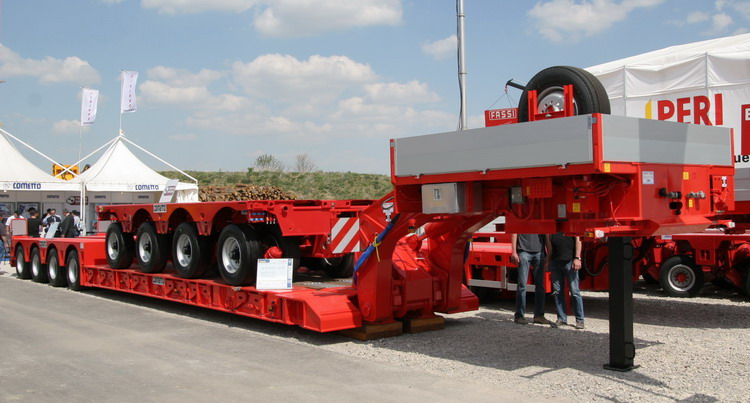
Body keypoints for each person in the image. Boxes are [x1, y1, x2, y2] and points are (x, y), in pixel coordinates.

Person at [510, 233, 556, 326]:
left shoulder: (541, 220)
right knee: (522, 285)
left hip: (539, 252)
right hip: (524, 251)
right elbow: (514, 232)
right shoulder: (523, 218)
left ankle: (539, 316)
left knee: (540, 286)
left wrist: (549, 254)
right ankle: (519, 316)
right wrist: (514, 252)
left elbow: (546, 236)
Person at [546, 232, 585, 329]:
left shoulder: (570, 225)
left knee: (575, 292)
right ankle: (561, 318)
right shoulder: (553, 228)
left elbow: (578, 240)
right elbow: (550, 247)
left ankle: (580, 320)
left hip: (570, 262)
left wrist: (577, 258)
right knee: (558, 292)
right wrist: (548, 260)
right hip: (555, 262)